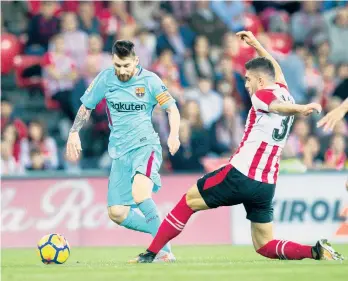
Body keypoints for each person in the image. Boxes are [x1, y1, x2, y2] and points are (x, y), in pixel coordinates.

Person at [129, 31, 344, 263]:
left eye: (248, 79)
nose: (246, 84)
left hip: (241, 174)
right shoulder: (285, 91)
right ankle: (315, 252)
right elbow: (275, 72)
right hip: (266, 183)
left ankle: (150, 254)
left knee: (187, 202)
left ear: (260, 81)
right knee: (264, 245)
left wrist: (301, 109)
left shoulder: (263, 95)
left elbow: (276, 107)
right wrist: (257, 45)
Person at [66, 40, 181, 262]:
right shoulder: (105, 78)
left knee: (140, 194)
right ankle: (159, 230)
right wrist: (73, 132)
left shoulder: (150, 80)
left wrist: (174, 134)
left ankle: (164, 252)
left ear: (136, 61)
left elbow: (172, 109)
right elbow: (86, 107)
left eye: (126, 66)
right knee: (117, 212)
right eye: (118, 65)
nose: (122, 71)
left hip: (145, 146)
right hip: (120, 153)